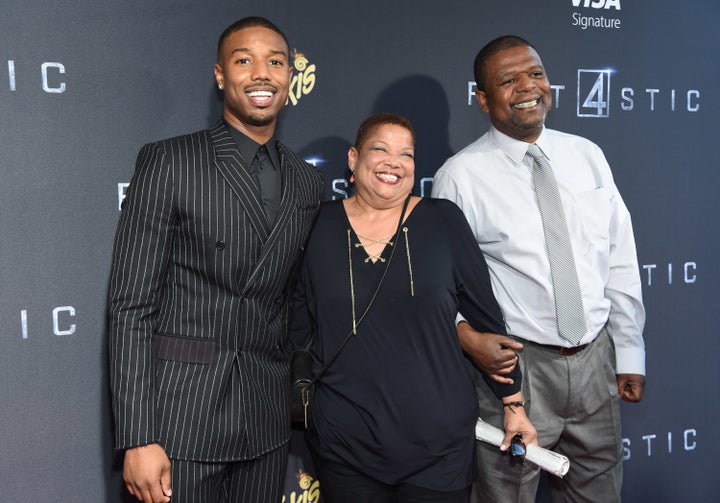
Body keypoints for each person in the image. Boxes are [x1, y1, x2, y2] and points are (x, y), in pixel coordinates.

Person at [107, 16, 324, 503]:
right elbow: (130, 307)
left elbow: (292, 306)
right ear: (221, 75)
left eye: (276, 61)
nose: (262, 73)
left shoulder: (307, 183)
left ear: (291, 75)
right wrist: (139, 436)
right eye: (244, 61)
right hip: (180, 419)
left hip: (265, 424)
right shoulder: (171, 161)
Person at [432, 35, 646, 502]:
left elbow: (620, 256)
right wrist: (471, 339)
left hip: (596, 361)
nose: (528, 87)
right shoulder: (459, 178)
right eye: (508, 80)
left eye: (535, 73)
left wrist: (629, 349)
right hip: (515, 372)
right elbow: (438, 287)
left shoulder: (587, 155)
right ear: (483, 99)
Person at [290, 112, 536, 503]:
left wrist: (514, 405)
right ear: (353, 159)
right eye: (380, 149)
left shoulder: (443, 222)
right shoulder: (317, 226)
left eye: (406, 154)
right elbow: (298, 325)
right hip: (344, 443)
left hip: (438, 448)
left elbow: (487, 321)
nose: (394, 162)